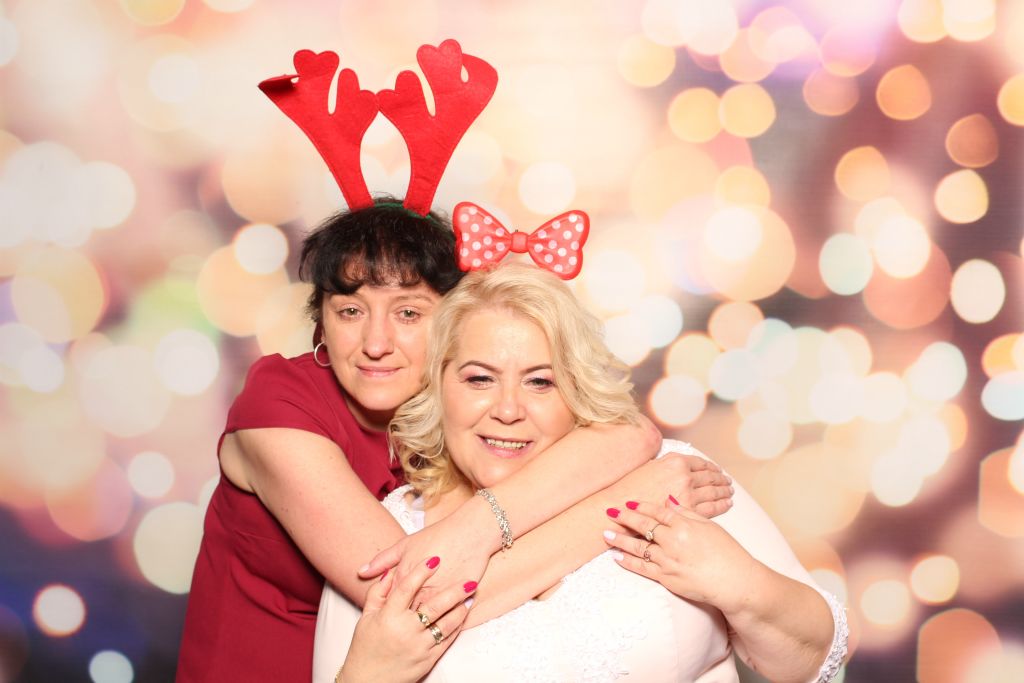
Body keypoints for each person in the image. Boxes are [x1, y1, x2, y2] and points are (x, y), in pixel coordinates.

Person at [176, 201, 735, 681]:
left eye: (408, 313)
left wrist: (481, 524)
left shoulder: (461, 404)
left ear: (452, 321)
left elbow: (630, 432)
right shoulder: (278, 404)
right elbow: (418, 600)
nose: (376, 342)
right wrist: (626, 508)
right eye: (349, 311)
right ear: (320, 321)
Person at [313, 263, 848, 683]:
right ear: (438, 387)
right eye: (479, 379)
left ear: (577, 390)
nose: (507, 410)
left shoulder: (675, 480)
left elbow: (815, 657)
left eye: (540, 382)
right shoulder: (389, 539)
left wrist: (741, 584)